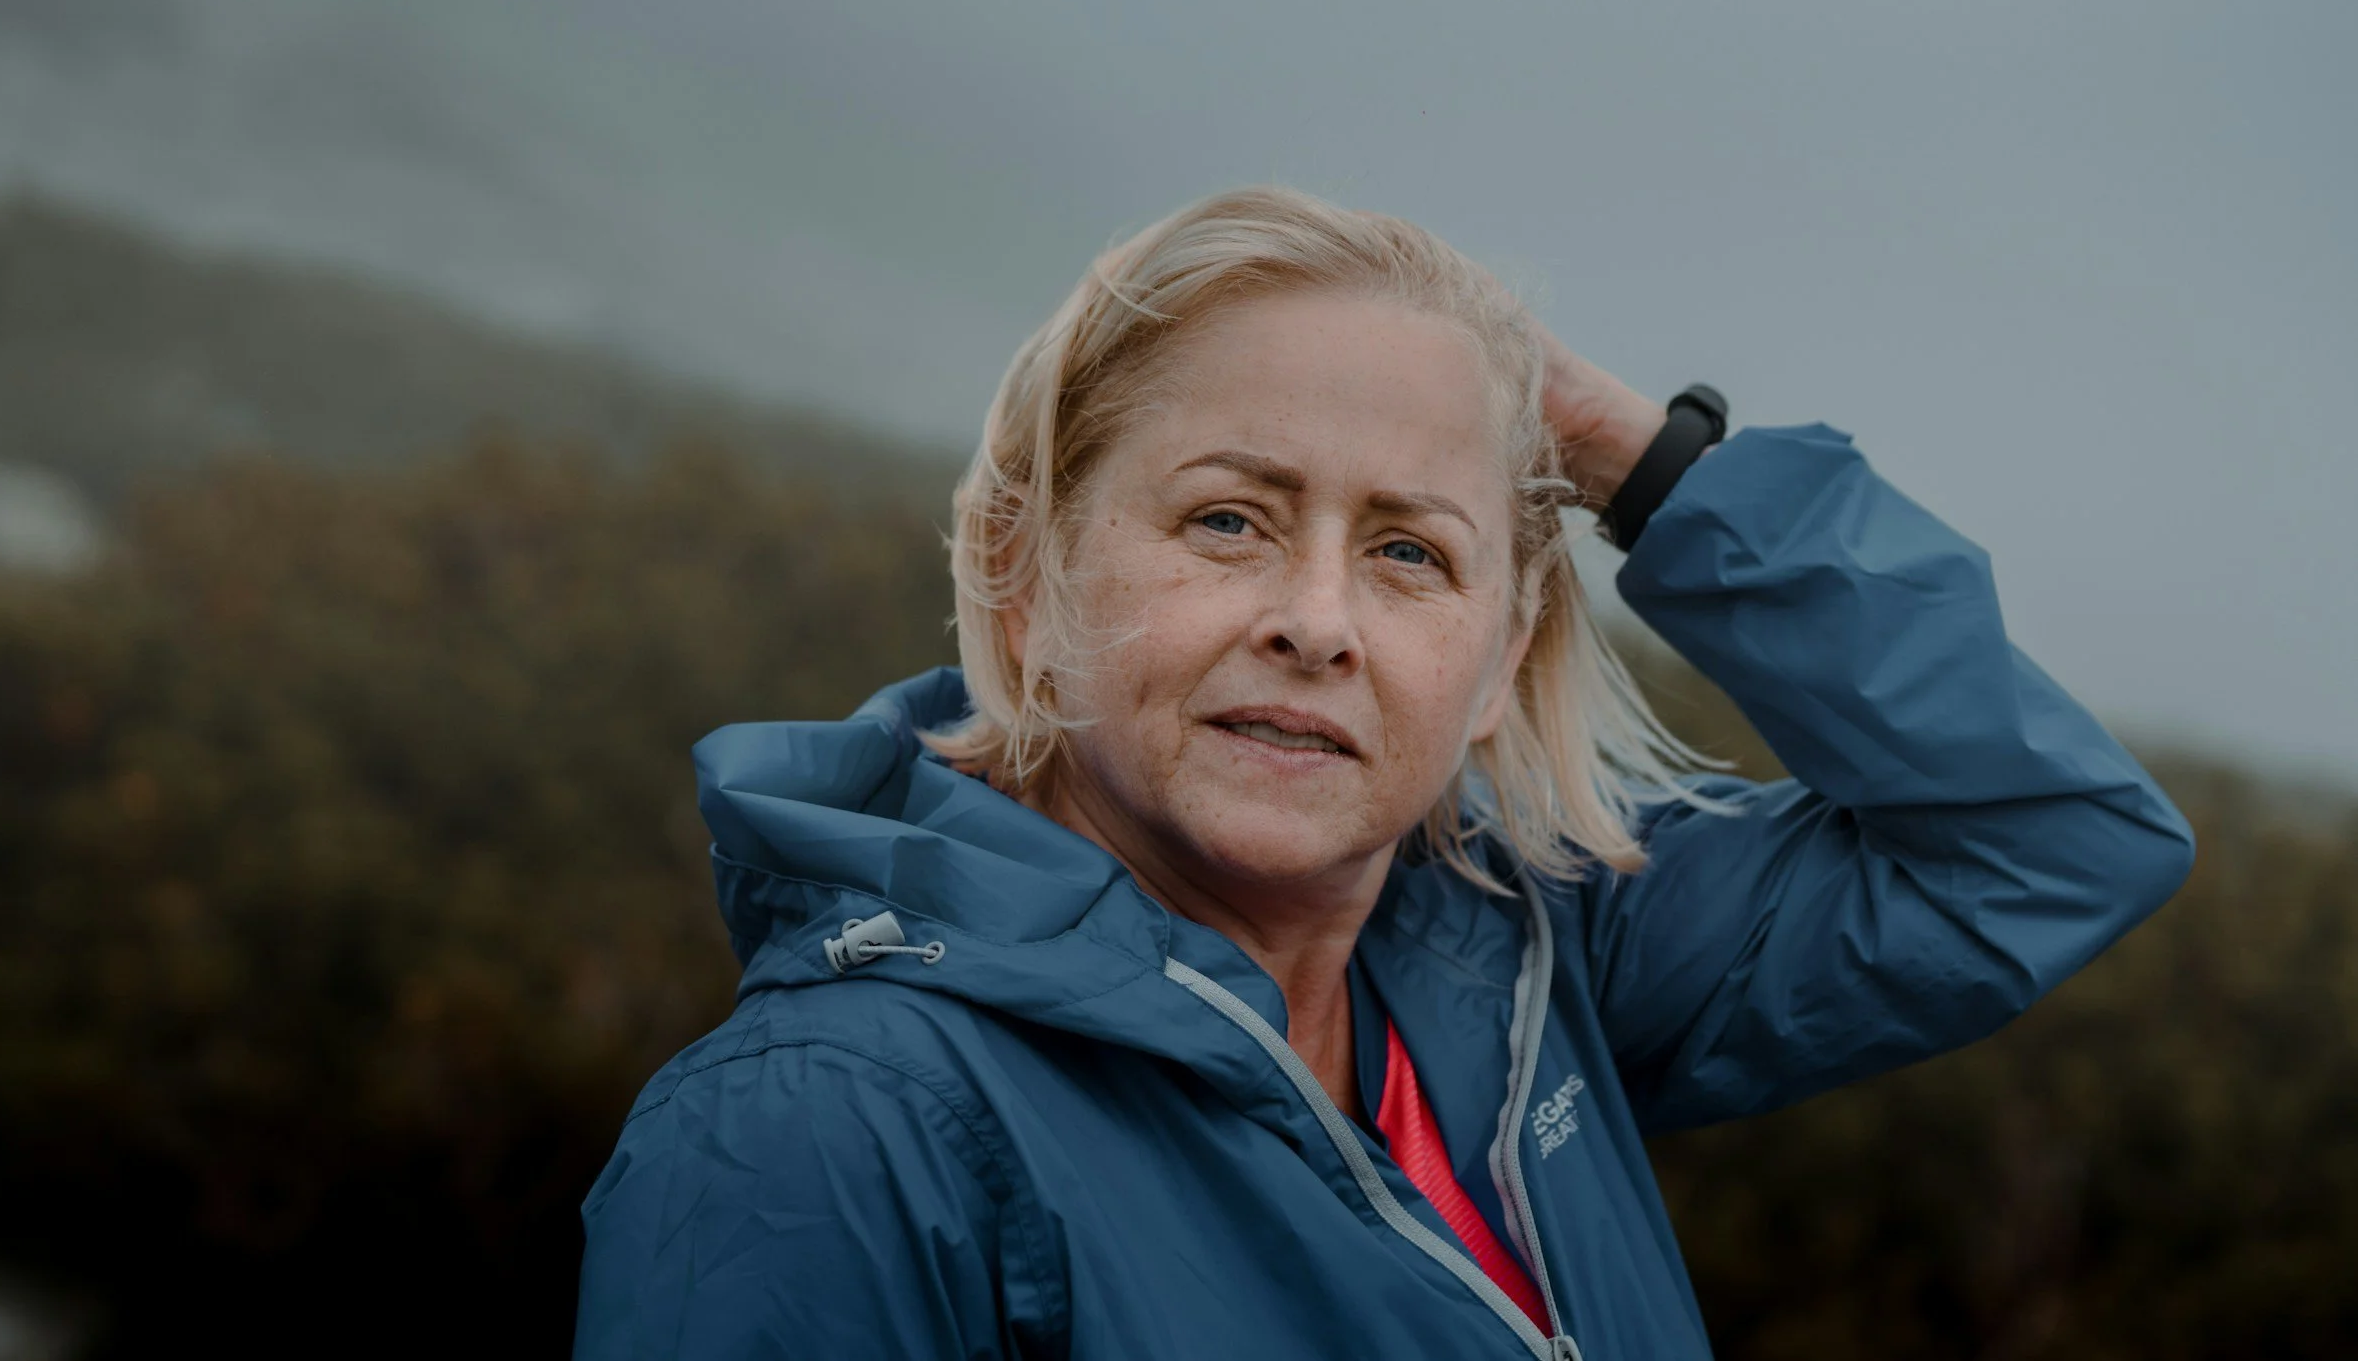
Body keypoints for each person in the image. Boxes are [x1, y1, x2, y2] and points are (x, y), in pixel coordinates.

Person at [571, 187, 2194, 1360]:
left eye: (1413, 552)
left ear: (1498, 662)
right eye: (1228, 518)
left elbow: (2046, 840)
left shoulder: (1532, 945)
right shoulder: (823, 1133)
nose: (1318, 621)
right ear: (1024, 578)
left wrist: (1636, 455)